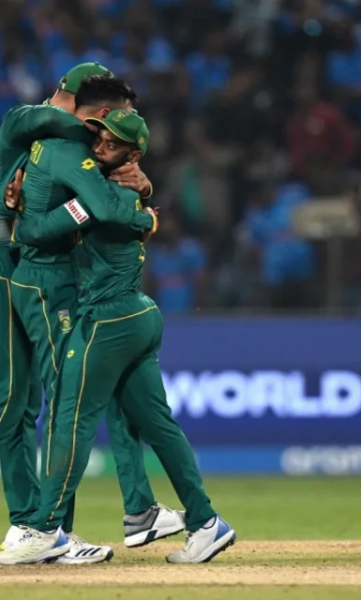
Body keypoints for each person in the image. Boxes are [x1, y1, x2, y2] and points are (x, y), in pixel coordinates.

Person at [0, 110, 235, 565]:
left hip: (106, 321)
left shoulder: (101, 197)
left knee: (70, 419)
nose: (100, 146)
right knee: (158, 425)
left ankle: (44, 529)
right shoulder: (118, 192)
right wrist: (144, 203)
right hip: (138, 315)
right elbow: (127, 214)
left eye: (113, 143)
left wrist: (21, 213)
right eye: (101, 138)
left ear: (134, 155)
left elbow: (35, 231)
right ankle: (206, 522)